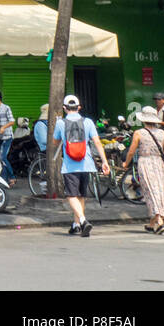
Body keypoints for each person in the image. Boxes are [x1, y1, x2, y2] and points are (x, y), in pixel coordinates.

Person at [53, 94, 110, 237]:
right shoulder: (88, 122)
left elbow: (55, 142)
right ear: (79, 107)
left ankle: (83, 220)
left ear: (64, 108)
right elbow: (97, 142)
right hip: (87, 164)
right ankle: (76, 225)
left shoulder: (61, 123)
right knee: (81, 196)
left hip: (70, 165)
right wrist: (105, 162)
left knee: (71, 195)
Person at [123, 106, 164, 234]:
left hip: (145, 162)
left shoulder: (139, 133)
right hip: (158, 163)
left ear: (143, 119)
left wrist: (125, 164)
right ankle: (151, 224)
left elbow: (131, 151)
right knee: (159, 190)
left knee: (150, 191)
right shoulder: (162, 133)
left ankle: (159, 221)